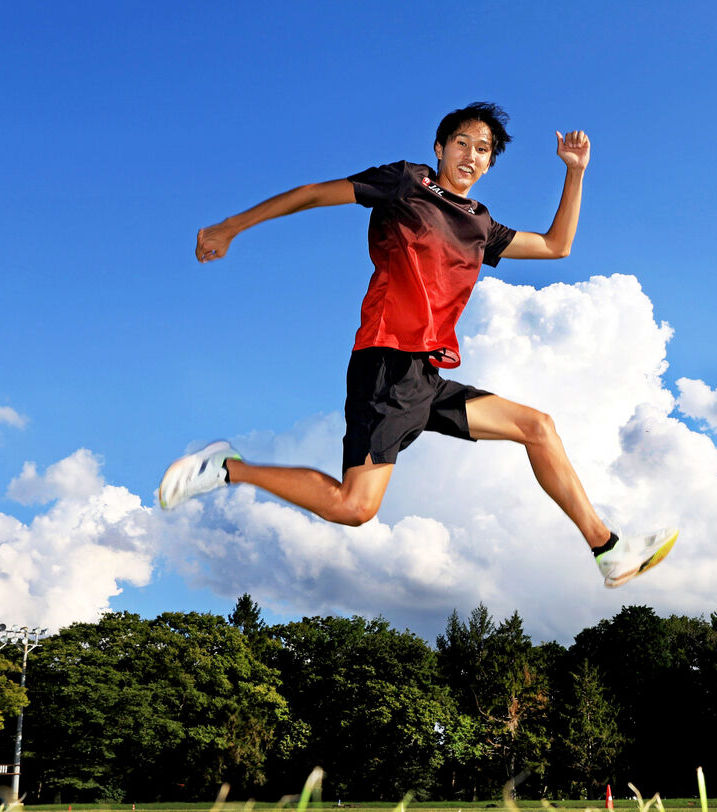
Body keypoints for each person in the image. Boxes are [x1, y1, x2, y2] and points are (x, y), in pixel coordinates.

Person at [158, 102, 677, 587]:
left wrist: (574, 171)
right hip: (386, 362)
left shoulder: (479, 224)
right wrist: (231, 226)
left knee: (537, 428)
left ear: (490, 164)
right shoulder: (406, 183)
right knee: (355, 508)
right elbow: (316, 192)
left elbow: (556, 246)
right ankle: (227, 467)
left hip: (425, 376)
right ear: (439, 147)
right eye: (462, 142)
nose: (470, 155)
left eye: (482, 150)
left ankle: (607, 550)